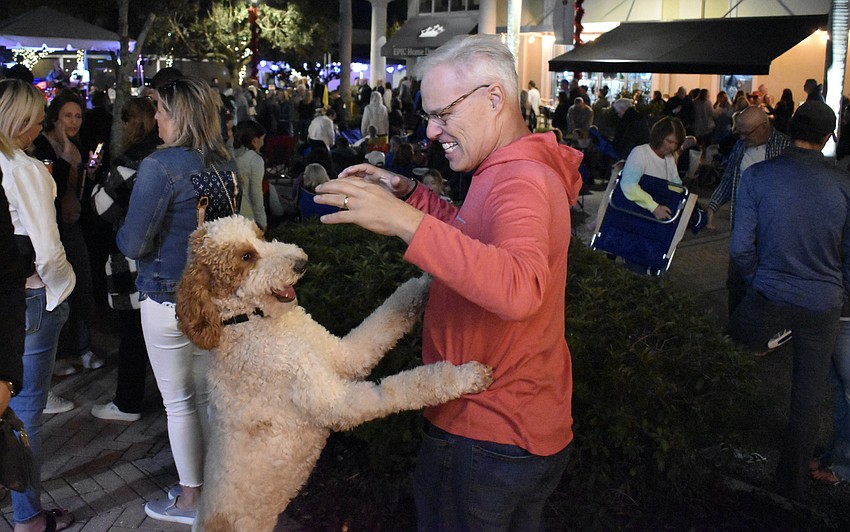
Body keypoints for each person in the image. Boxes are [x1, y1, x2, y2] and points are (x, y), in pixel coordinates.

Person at [313, 34, 583, 529]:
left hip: (488, 431)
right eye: (429, 116)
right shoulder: (512, 167)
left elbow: (519, 288)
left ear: (494, 98)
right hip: (510, 429)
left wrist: (404, 221)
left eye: (444, 114)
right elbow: (476, 242)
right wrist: (411, 197)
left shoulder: (520, 179)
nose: (432, 131)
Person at [117, 76, 236, 525]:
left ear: (180, 116)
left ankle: (191, 499)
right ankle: (213, 486)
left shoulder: (160, 166)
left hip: (168, 294)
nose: (156, 119)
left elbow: (134, 242)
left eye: (162, 111)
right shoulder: (223, 163)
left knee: (180, 401)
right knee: (205, 396)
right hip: (214, 296)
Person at [728, 101, 850, 501]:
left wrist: (756, 279)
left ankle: (714, 445)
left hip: (770, 292)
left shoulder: (759, 176)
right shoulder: (843, 183)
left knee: (725, 356)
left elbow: (740, 247)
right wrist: (839, 290)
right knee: (808, 396)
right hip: (823, 301)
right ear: (828, 137)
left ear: (790, 127)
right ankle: (791, 484)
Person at [1, 78, 76, 532]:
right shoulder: (23, 169)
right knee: (26, 409)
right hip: (29, 297)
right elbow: (47, 250)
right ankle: (28, 518)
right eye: (36, 119)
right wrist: (63, 284)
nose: (40, 127)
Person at [90, 97, 160, 423]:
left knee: (133, 333)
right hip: (165, 258)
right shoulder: (170, 157)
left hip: (133, 258)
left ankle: (127, 402)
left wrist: (96, 185)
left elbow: (104, 208)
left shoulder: (129, 164)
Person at [33, 90, 104, 407]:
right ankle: (60, 354)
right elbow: (53, 189)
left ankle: (81, 347)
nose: (73, 122)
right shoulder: (43, 146)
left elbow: (79, 190)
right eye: (67, 116)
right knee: (57, 290)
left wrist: (89, 171)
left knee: (82, 283)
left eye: (77, 116)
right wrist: (63, 151)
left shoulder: (76, 146)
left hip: (74, 226)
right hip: (52, 228)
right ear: (54, 117)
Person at [707, 106, 791, 316]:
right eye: (740, 133)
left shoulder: (785, 147)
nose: (743, 138)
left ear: (763, 127)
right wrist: (712, 206)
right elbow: (729, 179)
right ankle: (736, 323)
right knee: (736, 281)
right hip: (743, 227)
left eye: (747, 133)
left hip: (771, 230)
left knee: (765, 285)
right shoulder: (741, 145)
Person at [620, 116, 686, 220]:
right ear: (659, 137)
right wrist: (654, 207)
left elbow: (676, 186)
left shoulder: (669, 158)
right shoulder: (640, 153)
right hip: (636, 212)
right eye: (669, 141)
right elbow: (629, 186)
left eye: (676, 143)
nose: (672, 147)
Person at [234, 120, 268, 231]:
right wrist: (262, 221)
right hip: (246, 216)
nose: (263, 143)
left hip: (227, 216)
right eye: (262, 139)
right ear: (255, 140)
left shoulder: (228, 154)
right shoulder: (255, 160)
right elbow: (256, 194)